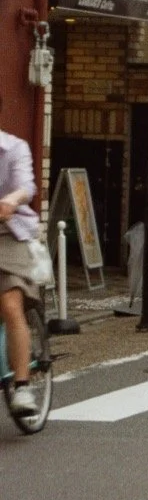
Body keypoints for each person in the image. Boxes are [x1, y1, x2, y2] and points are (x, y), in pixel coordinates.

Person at [0, 111, 39, 415]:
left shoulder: (13, 148)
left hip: (8, 232)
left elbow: (26, 186)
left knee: (10, 302)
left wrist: (11, 201)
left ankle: (23, 386)